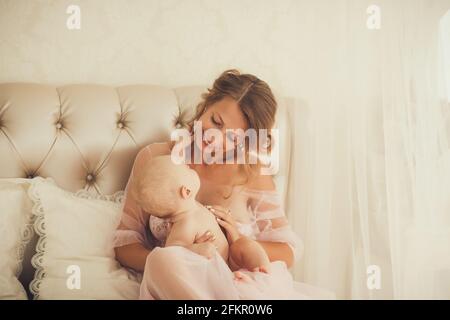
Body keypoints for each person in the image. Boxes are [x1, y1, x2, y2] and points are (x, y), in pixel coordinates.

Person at [113, 69, 335, 299]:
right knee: (161, 260)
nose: (214, 138)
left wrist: (238, 240)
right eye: (216, 121)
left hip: (232, 285)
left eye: (233, 138)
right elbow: (124, 243)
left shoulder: (252, 174)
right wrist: (180, 257)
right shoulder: (158, 160)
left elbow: (288, 251)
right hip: (175, 282)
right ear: (205, 105)